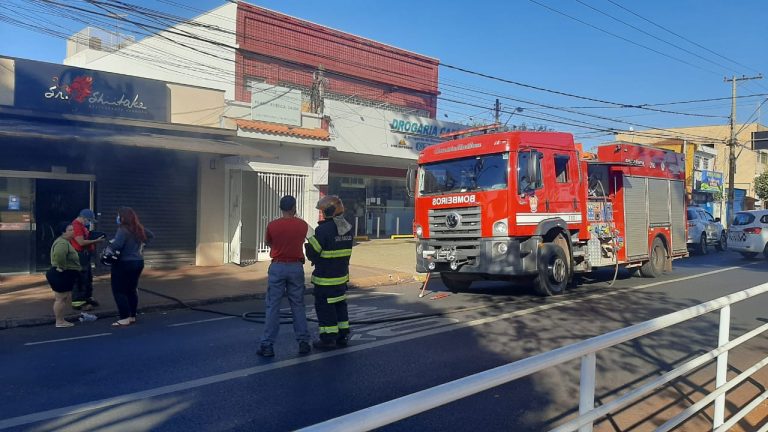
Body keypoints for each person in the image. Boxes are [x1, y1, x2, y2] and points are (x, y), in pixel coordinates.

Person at [256, 195, 312, 357]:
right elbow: (309, 239)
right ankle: (303, 342)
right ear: (294, 207)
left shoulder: (272, 225)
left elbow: (269, 242)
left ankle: (267, 345)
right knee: (298, 305)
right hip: (296, 267)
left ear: (280, 208)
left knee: (273, 306)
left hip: (278, 266)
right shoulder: (302, 225)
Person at [305, 195, 354, 350]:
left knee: (325, 309)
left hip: (325, 279)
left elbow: (312, 254)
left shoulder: (323, 230)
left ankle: (328, 339)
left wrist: (309, 242)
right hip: (341, 278)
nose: (321, 214)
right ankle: (342, 336)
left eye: (322, 211)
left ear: (329, 211)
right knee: (340, 306)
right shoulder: (347, 228)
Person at [106, 207, 153, 327]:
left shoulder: (123, 230)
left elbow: (117, 245)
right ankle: (132, 315)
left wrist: (109, 248)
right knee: (131, 289)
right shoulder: (138, 228)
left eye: (118, 216)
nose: (117, 218)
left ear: (122, 218)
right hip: (138, 262)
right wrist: (142, 246)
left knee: (119, 290)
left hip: (124, 263)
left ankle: (124, 318)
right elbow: (151, 235)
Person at [46, 223, 81, 328]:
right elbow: (59, 255)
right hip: (61, 273)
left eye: (73, 229)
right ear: (63, 232)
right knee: (60, 298)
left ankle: (61, 319)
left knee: (63, 297)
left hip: (64, 273)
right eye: (70, 230)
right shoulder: (62, 243)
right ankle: (59, 321)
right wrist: (62, 267)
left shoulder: (65, 242)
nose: (73, 232)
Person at [70, 209, 104, 311]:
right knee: (80, 279)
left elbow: (86, 236)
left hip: (85, 255)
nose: (89, 222)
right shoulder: (76, 226)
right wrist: (96, 241)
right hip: (79, 256)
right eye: (89, 220)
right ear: (83, 218)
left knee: (88, 278)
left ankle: (87, 298)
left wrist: (94, 236)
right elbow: (80, 242)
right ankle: (78, 302)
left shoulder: (82, 226)